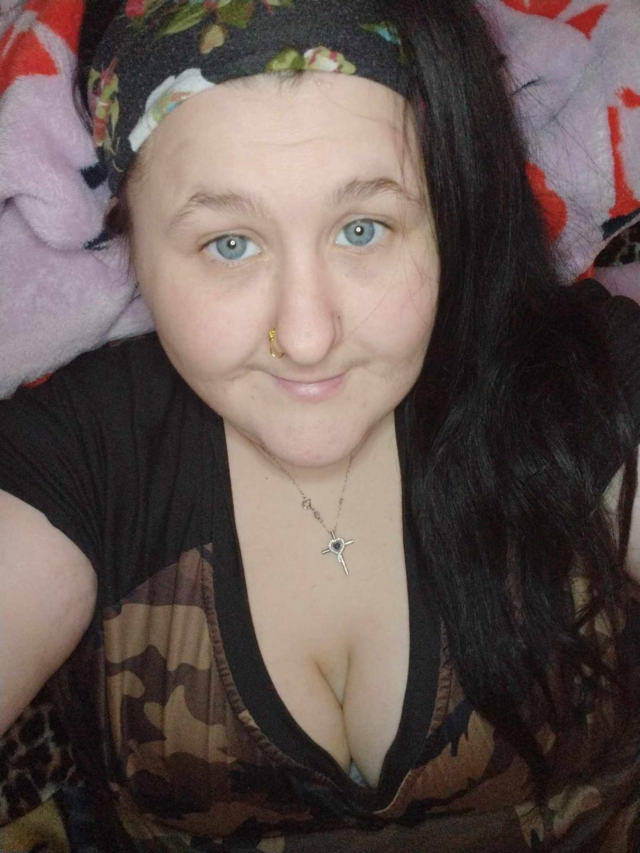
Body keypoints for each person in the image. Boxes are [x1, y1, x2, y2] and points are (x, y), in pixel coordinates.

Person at [0, 0, 639, 849]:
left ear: (446, 216)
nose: (306, 337)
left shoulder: (584, 383)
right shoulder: (81, 450)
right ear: (130, 243)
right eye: (230, 243)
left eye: (363, 229)